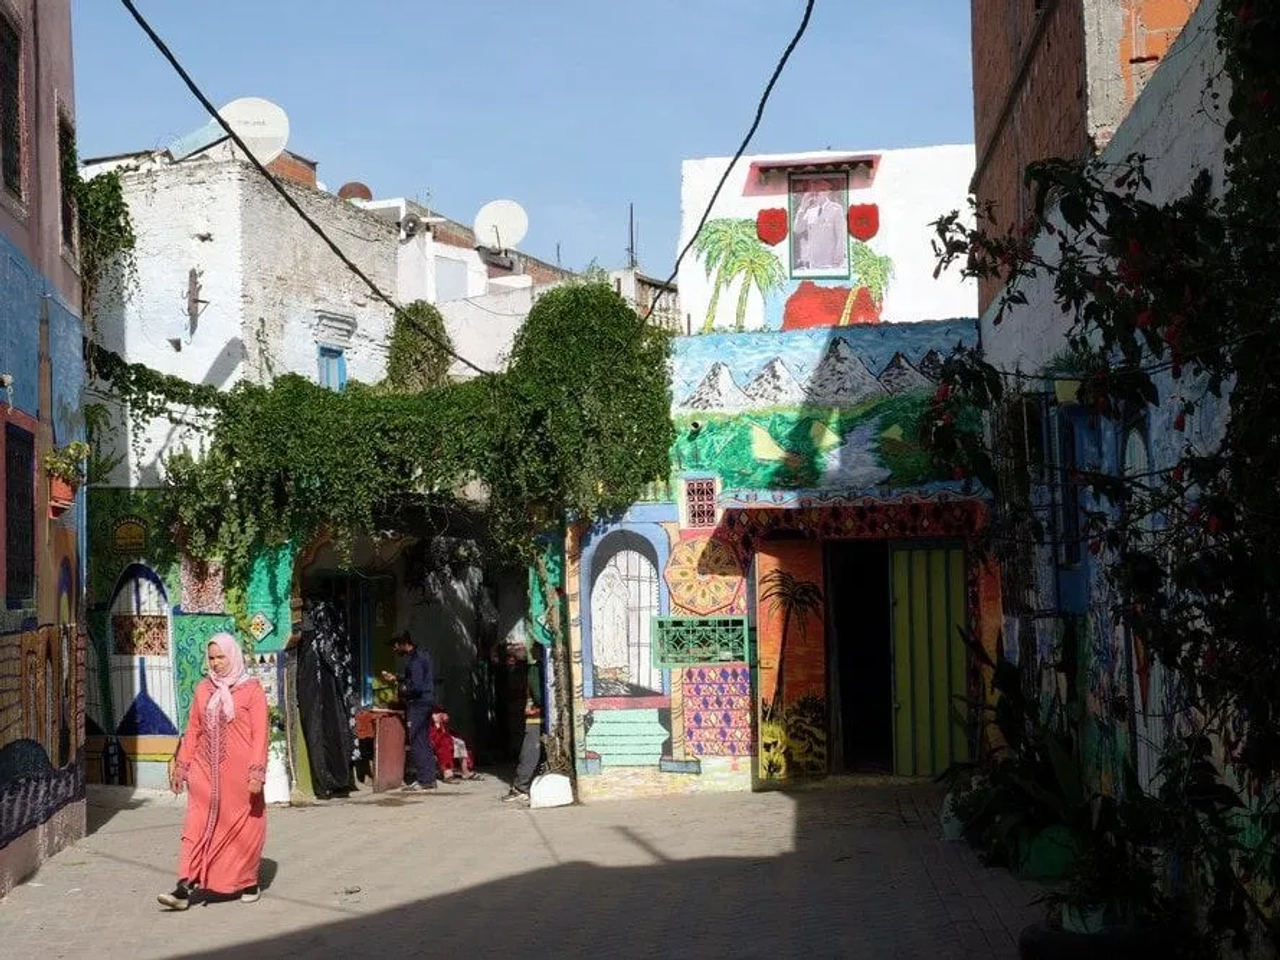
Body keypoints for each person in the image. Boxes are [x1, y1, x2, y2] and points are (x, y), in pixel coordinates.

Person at [158, 633, 268, 911]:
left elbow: (260, 736)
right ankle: (184, 887)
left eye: (221, 657)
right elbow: (193, 730)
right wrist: (182, 767)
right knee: (196, 826)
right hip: (205, 773)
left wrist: (256, 773)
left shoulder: (252, 690)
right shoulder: (203, 690)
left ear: (233, 656)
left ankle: (247, 881)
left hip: (240, 778)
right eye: (212, 657)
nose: (216, 663)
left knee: (241, 831)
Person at [381, 632, 438, 792]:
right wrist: (398, 679)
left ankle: (424, 779)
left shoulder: (416, 661)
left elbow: (417, 687)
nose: (394, 649)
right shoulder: (421, 657)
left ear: (405, 643)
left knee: (416, 740)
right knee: (423, 740)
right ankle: (428, 778)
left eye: (396, 645)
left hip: (419, 704)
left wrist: (401, 690)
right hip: (425, 703)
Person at [503, 644, 545, 803]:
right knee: (531, 749)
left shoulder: (533, 670)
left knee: (530, 750)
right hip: (537, 715)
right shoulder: (537, 669)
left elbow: (538, 695)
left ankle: (522, 786)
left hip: (534, 715)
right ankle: (523, 784)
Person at [429, 707, 479, 782]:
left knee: (459, 742)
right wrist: (436, 722)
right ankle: (447, 773)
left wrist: (442, 720)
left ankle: (465, 771)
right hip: (430, 736)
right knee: (444, 743)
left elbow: (445, 730)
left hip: (441, 734)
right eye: (436, 713)